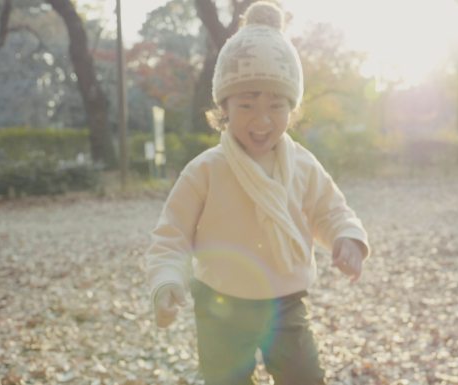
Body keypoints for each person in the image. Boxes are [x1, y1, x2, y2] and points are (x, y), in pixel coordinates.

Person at [145, 2, 370, 384]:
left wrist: (347, 238)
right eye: (247, 105)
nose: (261, 120)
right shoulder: (206, 170)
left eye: (275, 106)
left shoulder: (302, 164)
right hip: (220, 302)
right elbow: (172, 235)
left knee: (305, 377)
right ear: (224, 108)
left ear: (291, 108)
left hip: (286, 300)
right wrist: (167, 280)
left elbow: (330, 210)